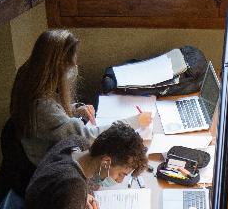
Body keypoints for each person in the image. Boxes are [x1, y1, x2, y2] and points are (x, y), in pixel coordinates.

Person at [10, 28, 152, 166]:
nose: (75, 66)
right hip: (51, 165)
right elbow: (88, 138)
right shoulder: (42, 106)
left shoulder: (32, 78)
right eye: (72, 63)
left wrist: (76, 109)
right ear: (57, 66)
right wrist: (134, 122)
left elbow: (53, 111)